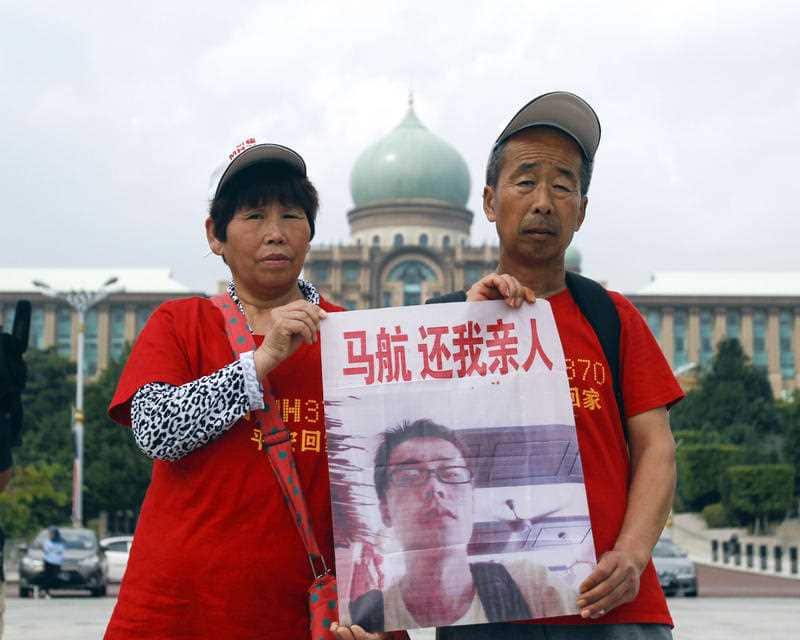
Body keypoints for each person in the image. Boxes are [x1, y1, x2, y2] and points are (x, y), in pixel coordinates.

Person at [430, 92, 684, 639]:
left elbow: (657, 447)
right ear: (491, 202)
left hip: (610, 605)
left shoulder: (612, 317)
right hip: (487, 610)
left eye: (563, 185)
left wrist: (634, 554)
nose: (544, 201)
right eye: (525, 181)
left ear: (581, 211)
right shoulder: (438, 324)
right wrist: (466, 324)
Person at [105, 140, 344, 638]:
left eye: (292, 216)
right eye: (254, 216)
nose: (275, 233)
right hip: (177, 614)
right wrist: (260, 362)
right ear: (216, 235)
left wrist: (484, 320)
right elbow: (156, 429)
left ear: (310, 233)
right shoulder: (180, 322)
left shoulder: (355, 336)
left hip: (304, 617)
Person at [349, 419, 575, 632]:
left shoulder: (531, 585)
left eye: (452, 473)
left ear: (472, 500)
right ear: (385, 510)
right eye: (409, 475)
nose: (435, 487)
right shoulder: (363, 619)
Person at [41, 527, 65, 598]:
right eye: (49, 533)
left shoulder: (61, 542)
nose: (50, 535)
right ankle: (46, 592)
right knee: (47, 577)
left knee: (54, 577)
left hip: (57, 562)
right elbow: (46, 550)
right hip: (48, 561)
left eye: (52, 533)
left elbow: (61, 551)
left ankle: (46, 589)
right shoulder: (47, 542)